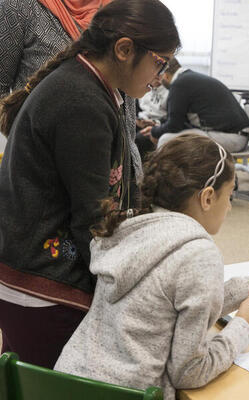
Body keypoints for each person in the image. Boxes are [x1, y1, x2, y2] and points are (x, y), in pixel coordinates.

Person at [0, 0, 180, 368]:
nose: (160, 76)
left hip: (39, 270)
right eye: (158, 63)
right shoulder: (81, 100)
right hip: (42, 283)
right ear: (124, 49)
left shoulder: (91, 84)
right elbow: (93, 222)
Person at [55, 134, 249, 400]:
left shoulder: (131, 228)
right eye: (229, 195)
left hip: (68, 384)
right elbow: (189, 372)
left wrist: (233, 291)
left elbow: (157, 305)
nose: (229, 207)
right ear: (207, 197)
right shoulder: (199, 254)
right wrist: (244, 326)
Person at [0, 0, 144, 185]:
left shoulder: (125, 9)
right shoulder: (20, 7)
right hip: (46, 177)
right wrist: (32, 140)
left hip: (120, 173)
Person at [139, 57, 249, 153]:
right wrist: (157, 126)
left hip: (232, 138)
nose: (159, 80)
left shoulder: (180, 84)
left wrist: (154, 132)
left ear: (165, 75)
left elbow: (174, 126)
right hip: (235, 135)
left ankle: (168, 177)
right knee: (171, 136)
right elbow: (182, 121)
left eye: (159, 76)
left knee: (166, 139)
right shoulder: (188, 79)